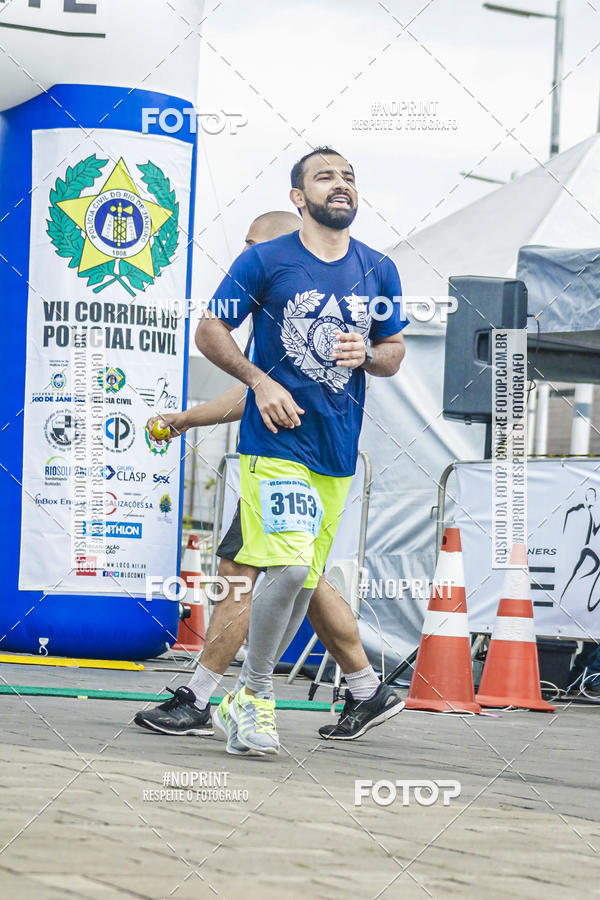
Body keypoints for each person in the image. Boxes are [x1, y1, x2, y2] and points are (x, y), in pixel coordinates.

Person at [134, 209, 405, 753]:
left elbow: (385, 354)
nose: (245, 256)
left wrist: (369, 354)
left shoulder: (307, 279)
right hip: (277, 458)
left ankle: (216, 696)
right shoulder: (268, 308)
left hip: (312, 460)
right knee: (282, 570)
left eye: (253, 245)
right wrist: (190, 419)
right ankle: (358, 686)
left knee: (283, 572)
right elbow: (252, 395)